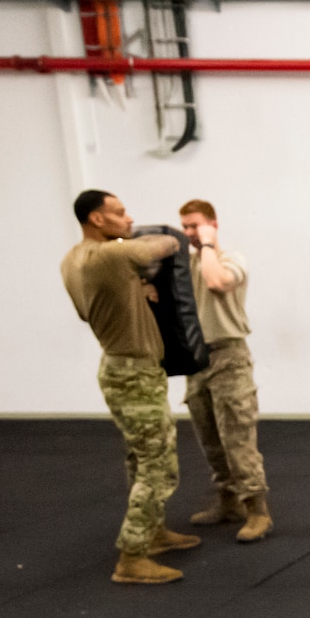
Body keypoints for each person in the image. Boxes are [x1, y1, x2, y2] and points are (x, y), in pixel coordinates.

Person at [62, 190, 201, 585]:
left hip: (120, 368)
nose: (127, 219)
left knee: (140, 458)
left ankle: (154, 533)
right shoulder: (110, 255)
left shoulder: (73, 260)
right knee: (158, 465)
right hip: (134, 373)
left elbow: (97, 302)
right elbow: (159, 246)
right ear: (96, 219)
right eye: (119, 214)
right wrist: (172, 234)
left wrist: (136, 292)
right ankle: (132, 556)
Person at [177, 200, 273, 543]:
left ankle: (257, 510)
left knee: (237, 437)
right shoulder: (185, 266)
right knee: (209, 438)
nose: (189, 232)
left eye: (195, 225)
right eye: (185, 226)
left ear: (212, 224)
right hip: (197, 359)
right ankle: (228, 502)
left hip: (229, 356)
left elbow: (217, 282)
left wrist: (206, 243)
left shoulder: (232, 260)